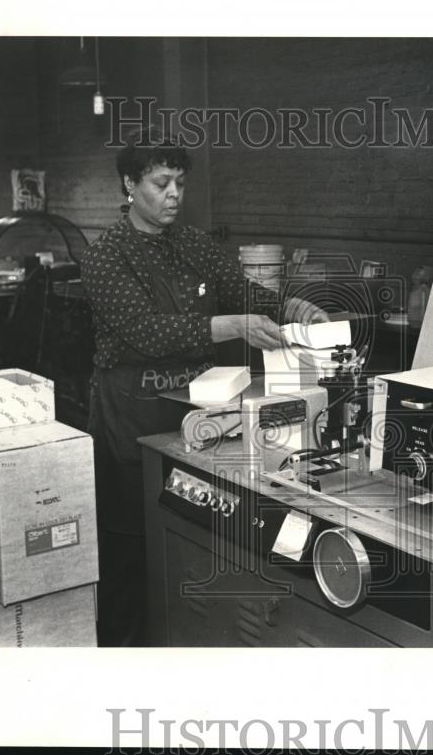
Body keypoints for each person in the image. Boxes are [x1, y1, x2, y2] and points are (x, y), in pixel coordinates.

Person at [81, 138, 327, 646]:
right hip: (133, 415)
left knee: (190, 535)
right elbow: (145, 333)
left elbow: (242, 291)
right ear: (130, 186)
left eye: (180, 184)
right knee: (134, 551)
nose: (174, 195)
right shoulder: (106, 255)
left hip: (197, 410)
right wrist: (230, 326)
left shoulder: (191, 243)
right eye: (160, 184)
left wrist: (291, 308)